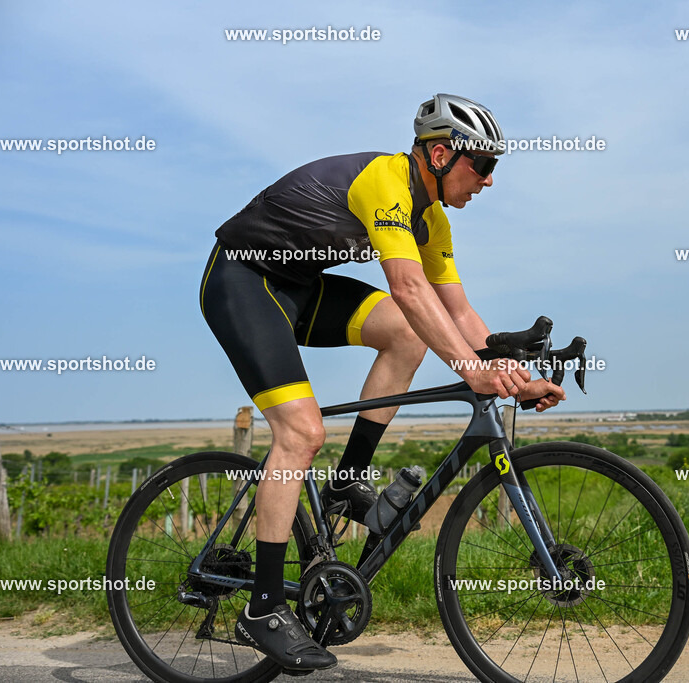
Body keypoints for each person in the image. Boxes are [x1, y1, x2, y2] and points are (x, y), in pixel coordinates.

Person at [199, 93, 565, 672]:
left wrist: (509, 375)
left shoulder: (433, 218)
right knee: (300, 433)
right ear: (441, 154)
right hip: (243, 282)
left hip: (299, 288)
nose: (489, 181)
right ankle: (264, 607)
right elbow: (410, 290)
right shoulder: (386, 183)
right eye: (484, 165)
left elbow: (459, 313)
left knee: (407, 336)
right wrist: (472, 370)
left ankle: (347, 484)